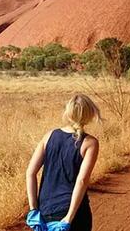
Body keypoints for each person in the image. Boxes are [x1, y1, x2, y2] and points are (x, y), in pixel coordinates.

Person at [26, 94, 101, 231]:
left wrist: (33, 209)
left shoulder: (49, 135)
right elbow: (82, 181)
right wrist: (69, 218)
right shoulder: (90, 143)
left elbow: (30, 173)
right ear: (90, 114)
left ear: (68, 112)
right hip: (74, 213)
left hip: (45, 210)